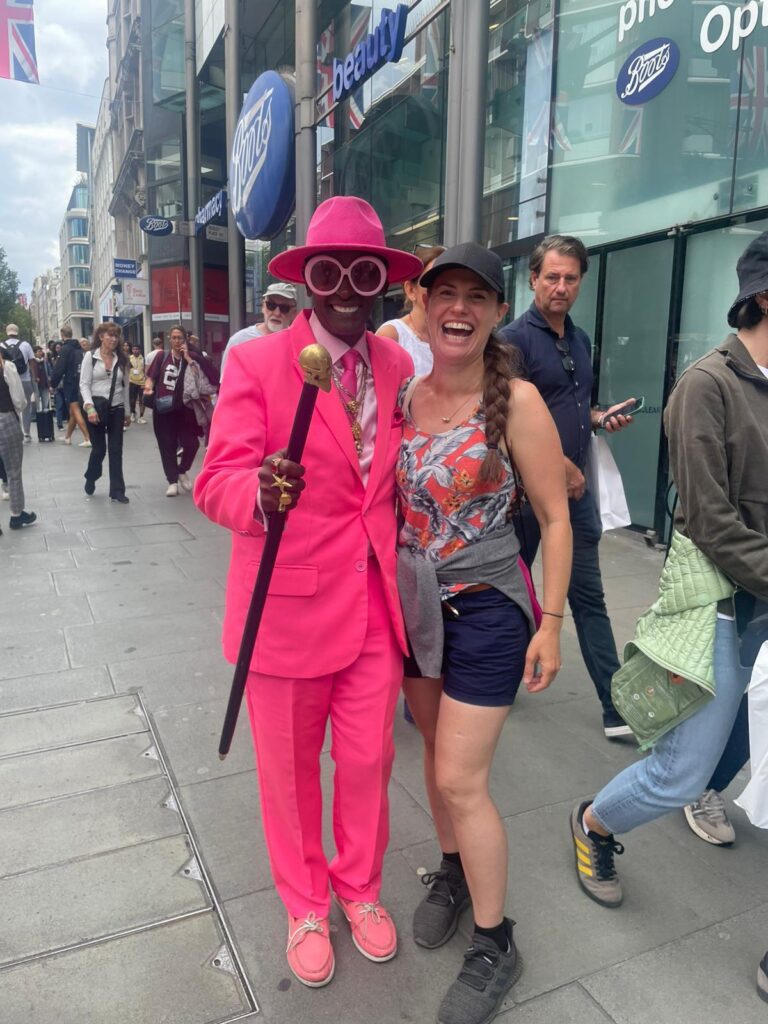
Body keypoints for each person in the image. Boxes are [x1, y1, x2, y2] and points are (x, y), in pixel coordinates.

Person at [194, 196, 423, 988]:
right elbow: (214, 482)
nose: (348, 290)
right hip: (286, 613)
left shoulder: (396, 367)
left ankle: (358, 888)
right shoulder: (258, 362)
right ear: (309, 280)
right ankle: (305, 904)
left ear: (385, 281)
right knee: (290, 778)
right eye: (331, 274)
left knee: (368, 760)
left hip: (372, 610)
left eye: (366, 273)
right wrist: (259, 492)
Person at [396, 244, 571, 1024]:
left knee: (463, 779)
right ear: (422, 305)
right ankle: (456, 871)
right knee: (436, 765)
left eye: (476, 296)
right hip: (417, 607)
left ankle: (496, 942)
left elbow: (559, 518)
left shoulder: (521, 402)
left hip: (490, 610)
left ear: (498, 310)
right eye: (445, 293)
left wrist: (553, 623)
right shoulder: (405, 396)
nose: (458, 307)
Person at [569, 230, 768, 914]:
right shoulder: (706, 386)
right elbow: (711, 523)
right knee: (680, 771)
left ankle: (717, 784)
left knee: (732, 744)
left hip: (761, 610)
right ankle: (594, 822)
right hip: (720, 604)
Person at [501, 235, 637, 740]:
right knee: (510, 593)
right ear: (533, 279)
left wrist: (602, 418)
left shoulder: (578, 341)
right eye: (551, 277)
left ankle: (614, 705)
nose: (561, 287)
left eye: (570, 278)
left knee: (589, 596)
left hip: (573, 497)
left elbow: (580, 407)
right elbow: (502, 421)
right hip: (521, 497)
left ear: (581, 281)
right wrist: (558, 466)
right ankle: (495, 678)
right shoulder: (512, 342)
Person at [144, 324, 204, 496]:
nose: (177, 341)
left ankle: (181, 470)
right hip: (163, 408)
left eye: (180, 338)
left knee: (191, 443)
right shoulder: (161, 356)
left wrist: (188, 357)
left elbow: (199, 377)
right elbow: (151, 377)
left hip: (185, 409)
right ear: (169, 339)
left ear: (185, 339)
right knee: (167, 445)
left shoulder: (191, 357)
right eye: (174, 337)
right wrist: (148, 388)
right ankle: (172, 481)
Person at [79, 323, 131, 503]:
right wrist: (89, 406)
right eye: (110, 335)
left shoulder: (122, 359)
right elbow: (84, 384)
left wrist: (127, 412)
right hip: (96, 409)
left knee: (116, 450)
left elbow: (125, 387)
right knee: (99, 450)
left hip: (116, 408)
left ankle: (117, 490)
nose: (114, 339)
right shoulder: (90, 357)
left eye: (116, 336)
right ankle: (91, 476)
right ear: (101, 336)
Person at [376, 244, 445, 374]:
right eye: (431, 284)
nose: (441, 294)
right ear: (411, 290)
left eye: (448, 289)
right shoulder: (392, 335)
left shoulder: (452, 337)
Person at [220, 283, 299, 374]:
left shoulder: (298, 344)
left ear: (294, 313)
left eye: (284, 308)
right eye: (271, 305)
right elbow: (227, 383)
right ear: (263, 307)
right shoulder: (239, 341)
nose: (277, 313)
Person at [0, 349, 37, 533]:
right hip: (4, 418)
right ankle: (16, 514)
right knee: (13, 470)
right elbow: (19, 399)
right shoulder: (6, 367)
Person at [51, 326, 90, 447]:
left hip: (70, 382)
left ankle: (87, 438)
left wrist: (53, 384)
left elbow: (59, 369)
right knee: (73, 411)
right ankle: (68, 437)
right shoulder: (80, 349)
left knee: (75, 409)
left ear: (62, 335)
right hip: (81, 381)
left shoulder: (65, 349)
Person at [2, 324, 35, 442]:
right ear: (17, 332)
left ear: (7, 332)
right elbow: (32, 362)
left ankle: (14, 433)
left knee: (10, 408)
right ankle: (26, 433)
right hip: (25, 379)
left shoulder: (1, 345)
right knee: (26, 407)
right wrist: (34, 377)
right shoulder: (25, 345)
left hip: (7, 381)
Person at [128, 344, 146, 423]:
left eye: (137, 349)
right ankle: (133, 413)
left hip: (142, 382)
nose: (135, 351)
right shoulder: (129, 358)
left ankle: (141, 417)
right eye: (134, 349)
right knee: (132, 399)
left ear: (140, 350)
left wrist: (146, 382)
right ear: (132, 350)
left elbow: (146, 370)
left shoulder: (144, 359)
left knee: (142, 400)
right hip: (132, 381)